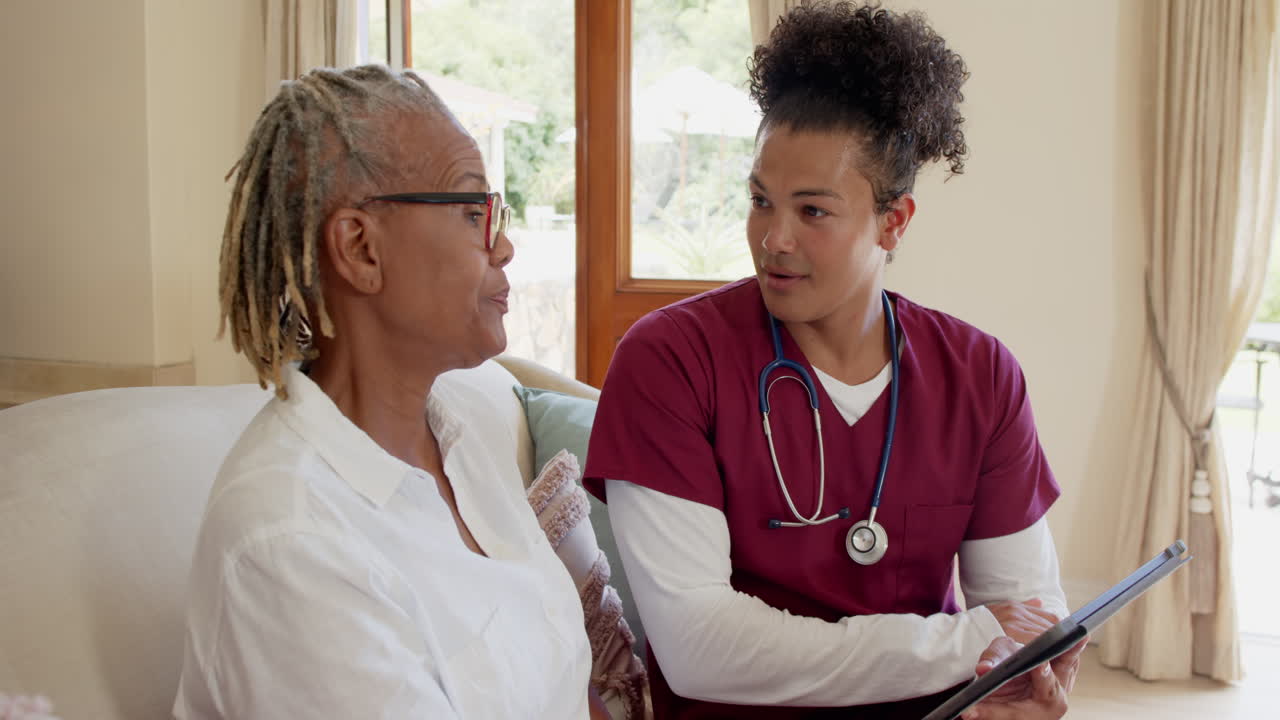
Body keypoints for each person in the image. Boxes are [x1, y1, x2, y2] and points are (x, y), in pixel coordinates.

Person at [583, 3, 1082, 719]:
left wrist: (1022, 685)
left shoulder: (980, 375)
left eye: (812, 211)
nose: (773, 238)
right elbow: (700, 647)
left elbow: (1024, 613)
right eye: (761, 200)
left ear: (894, 221)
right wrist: (965, 644)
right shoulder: (670, 361)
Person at [173, 65, 610, 718]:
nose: (506, 246)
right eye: (473, 213)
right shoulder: (291, 542)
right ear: (360, 249)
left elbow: (569, 682)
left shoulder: (457, 439)